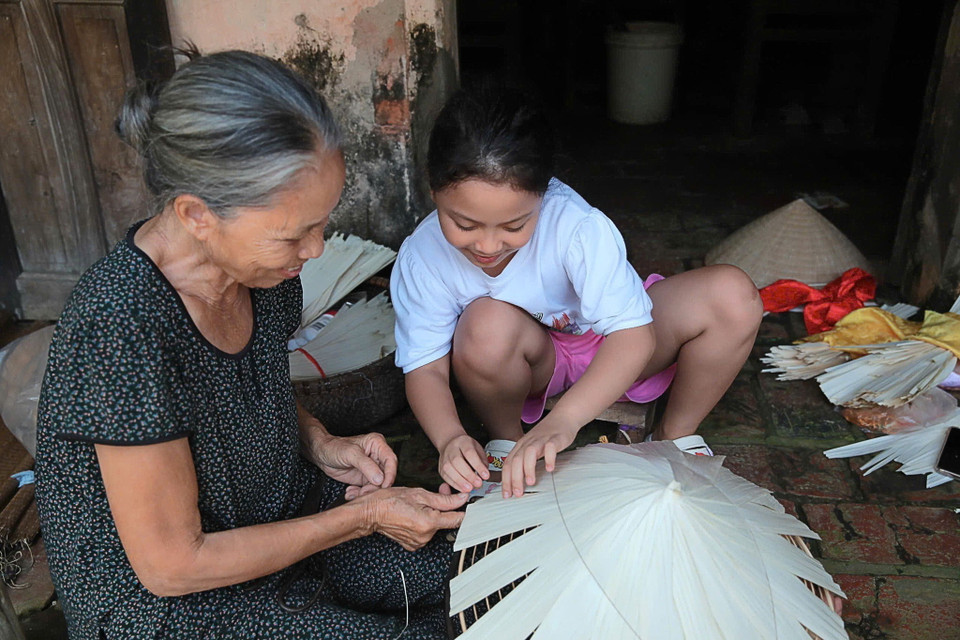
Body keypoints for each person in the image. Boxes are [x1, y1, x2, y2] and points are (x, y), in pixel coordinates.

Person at [34, 49, 467, 640]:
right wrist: (360, 517)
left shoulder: (262, 274)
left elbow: (244, 388)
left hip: (277, 512)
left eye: (322, 222)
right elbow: (173, 566)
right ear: (197, 214)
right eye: (295, 234)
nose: (317, 250)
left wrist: (318, 442)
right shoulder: (119, 325)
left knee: (461, 570)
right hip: (173, 604)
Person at [391, 87, 765, 501]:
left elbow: (633, 335)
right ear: (433, 190)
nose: (488, 245)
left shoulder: (575, 224)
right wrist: (449, 439)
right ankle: (507, 444)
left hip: (616, 347)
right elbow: (424, 368)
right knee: (483, 324)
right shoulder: (422, 256)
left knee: (733, 295)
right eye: (464, 224)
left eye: (514, 226)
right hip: (532, 362)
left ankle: (674, 436)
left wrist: (563, 421)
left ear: (543, 193)